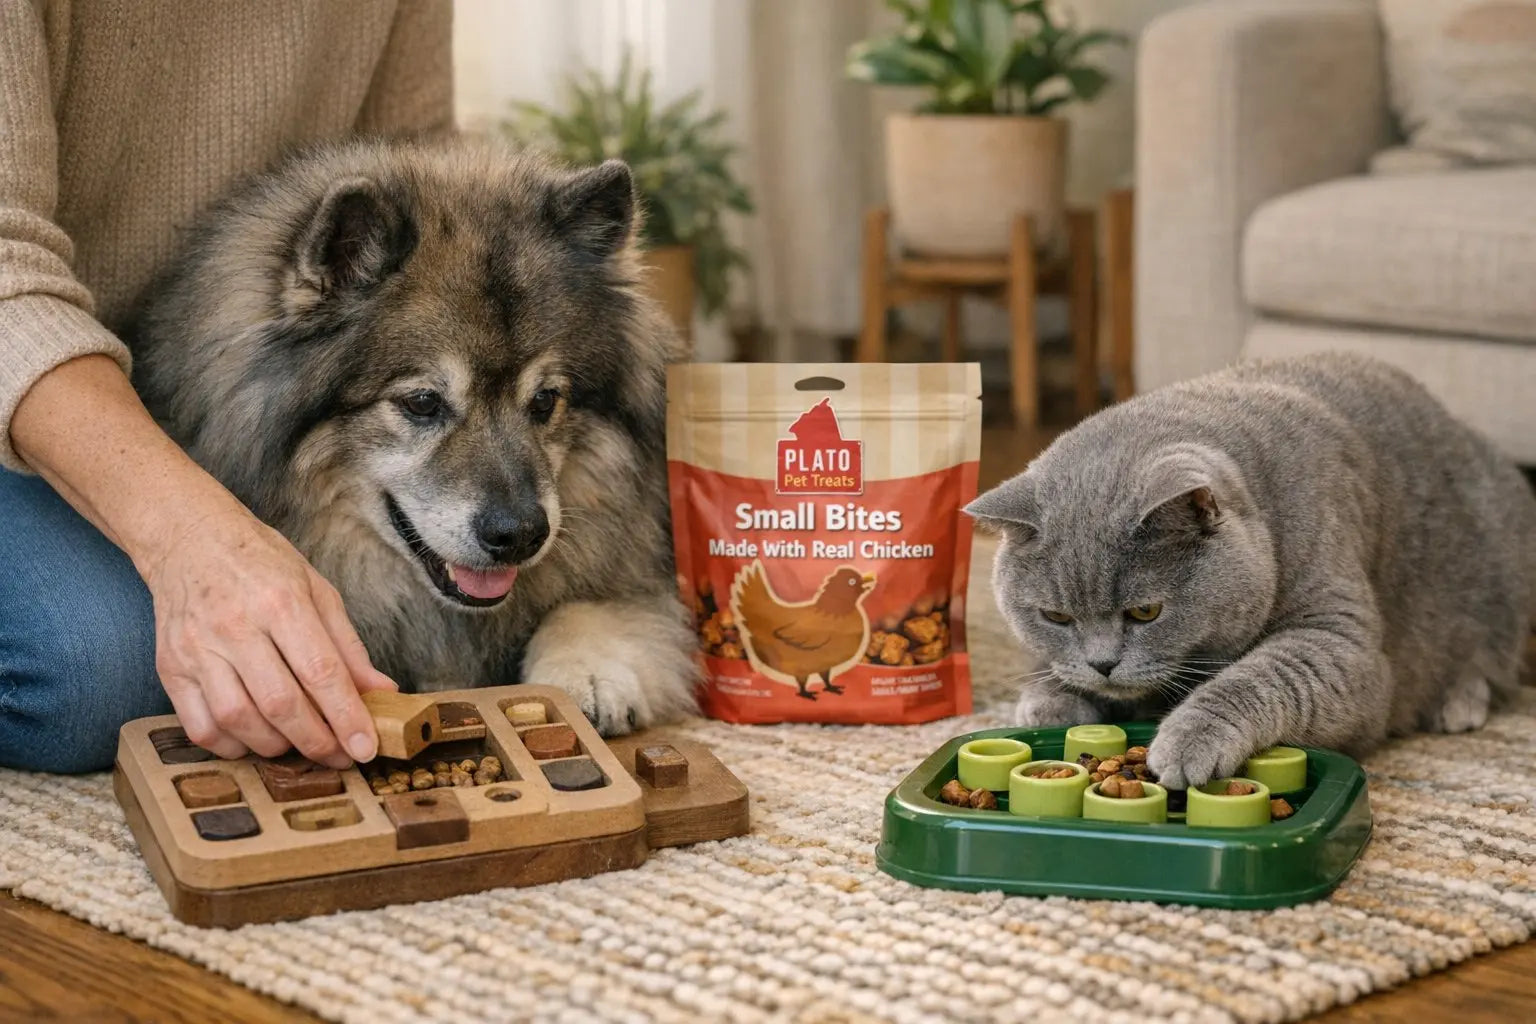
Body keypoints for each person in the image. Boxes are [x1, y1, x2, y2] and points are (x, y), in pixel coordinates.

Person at [0, 1, 455, 772]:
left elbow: (417, 172)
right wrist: (196, 543)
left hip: (199, 386)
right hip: (26, 380)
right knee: (103, 667)